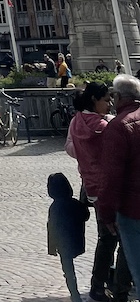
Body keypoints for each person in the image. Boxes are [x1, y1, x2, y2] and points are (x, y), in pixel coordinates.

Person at [66, 81, 132, 302]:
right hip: (108, 187)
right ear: (95, 99)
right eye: (106, 100)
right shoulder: (103, 126)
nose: (110, 104)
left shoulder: (76, 121)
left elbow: (70, 149)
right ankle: (120, 289)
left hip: (90, 185)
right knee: (124, 241)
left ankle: (97, 285)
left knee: (106, 239)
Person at [97, 74, 140, 298]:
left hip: (133, 209)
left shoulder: (118, 127)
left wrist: (106, 214)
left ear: (118, 97)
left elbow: (111, 177)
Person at [47, 172, 90, 302]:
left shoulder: (55, 207)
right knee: (69, 267)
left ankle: (74, 292)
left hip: (62, 243)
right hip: (76, 240)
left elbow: (51, 227)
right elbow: (85, 215)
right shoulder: (74, 203)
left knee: (68, 270)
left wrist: (52, 247)